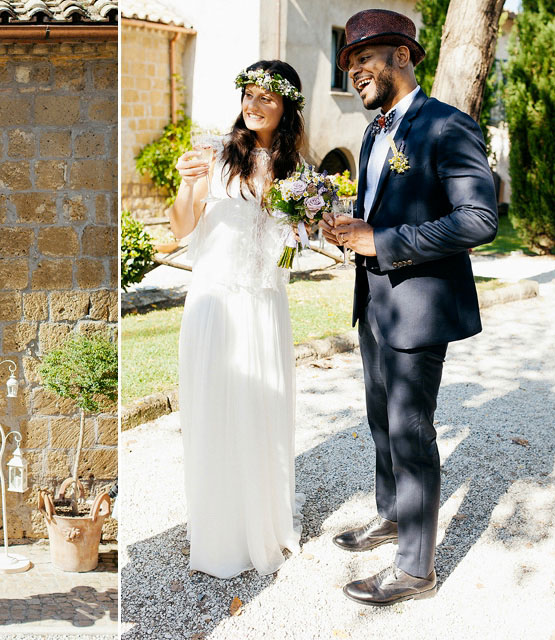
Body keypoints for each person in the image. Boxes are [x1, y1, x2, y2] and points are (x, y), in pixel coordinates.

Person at [320, 9, 498, 606]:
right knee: (379, 419)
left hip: (419, 305)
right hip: (373, 301)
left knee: (410, 429)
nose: (355, 73)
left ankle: (415, 570)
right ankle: (392, 514)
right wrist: (352, 229)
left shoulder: (448, 126)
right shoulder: (374, 132)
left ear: (403, 55)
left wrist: (385, 242)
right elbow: (387, 212)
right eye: (349, 64)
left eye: (363, 60)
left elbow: (479, 219)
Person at [169, 59, 306, 579]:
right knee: (214, 413)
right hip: (214, 301)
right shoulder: (216, 155)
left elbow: (296, 240)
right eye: (247, 95)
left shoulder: (296, 170)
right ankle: (220, 535)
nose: (252, 105)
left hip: (264, 305)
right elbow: (183, 227)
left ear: (286, 106)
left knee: (262, 412)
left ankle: (263, 527)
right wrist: (187, 186)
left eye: (265, 98)